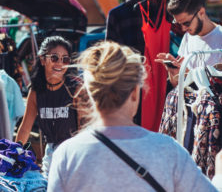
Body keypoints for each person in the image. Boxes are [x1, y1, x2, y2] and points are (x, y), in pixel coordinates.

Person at [47, 41, 221, 192]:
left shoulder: (66, 155)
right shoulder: (168, 151)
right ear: (134, 92)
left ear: (90, 94)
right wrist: (219, 172)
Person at [15, 35, 81, 179]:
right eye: (55, 58)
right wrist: (14, 153)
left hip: (74, 154)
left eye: (65, 59)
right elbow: (25, 128)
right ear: (43, 59)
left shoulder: (75, 88)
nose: (60, 64)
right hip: (51, 154)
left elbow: (84, 128)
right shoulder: (36, 92)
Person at [155, 0, 222, 87]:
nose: (183, 29)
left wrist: (189, 74)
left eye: (186, 23)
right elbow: (177, 86)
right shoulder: (188, 36)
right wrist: (174, 72)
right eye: (178, 24)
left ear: (201, 12)